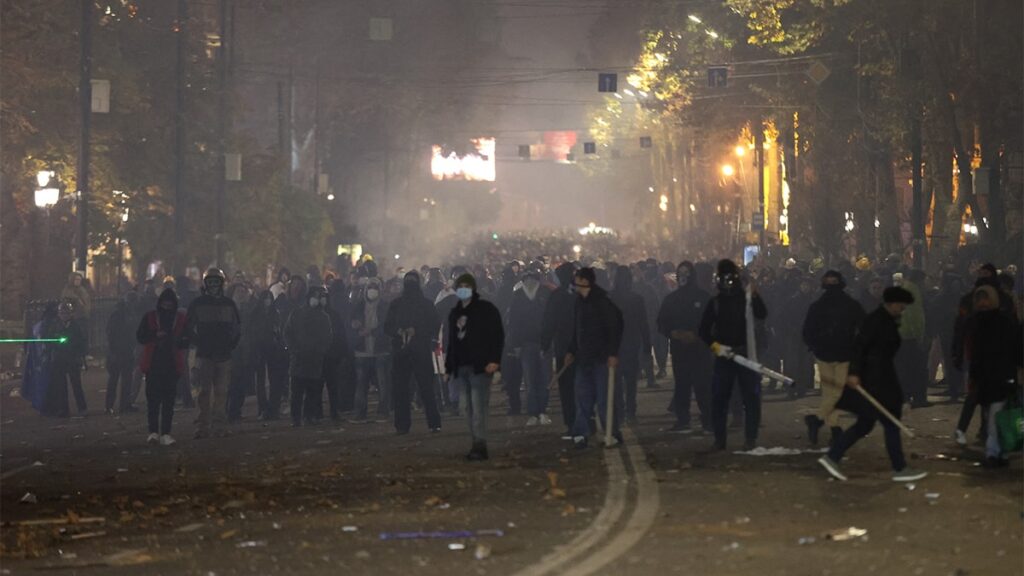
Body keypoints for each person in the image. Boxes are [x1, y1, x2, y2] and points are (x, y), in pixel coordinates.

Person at [817, 286, 928, 482]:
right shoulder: (876, 321)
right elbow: (859, 347)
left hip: (879, 378)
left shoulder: (886, 320)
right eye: (900, 307)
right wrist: (854, 372)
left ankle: (833, 456)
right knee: (890, 421)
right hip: (875, 381)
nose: (901, 310)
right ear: (892, 303)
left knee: (866, 424)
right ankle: (899, 468)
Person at [698, 259, 767, 451]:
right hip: (724, 357)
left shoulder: (746, 299)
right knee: (719, 399)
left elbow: (762, 314)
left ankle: (750, 438)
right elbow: (703, 330)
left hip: (746, 355)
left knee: (751, 399)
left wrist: (754, 295)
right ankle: (720, 439)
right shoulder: (716, 303)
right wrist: (716, 348)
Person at [802, 270, 866, 446]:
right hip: (842, 353)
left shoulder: (818, 305)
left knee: (831, 393)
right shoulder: (850, 304)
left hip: (826, 354)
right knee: (836, 393)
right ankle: (828, 426)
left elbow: (807, 331)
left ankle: (822, 422)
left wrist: (815, 346)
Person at [445, 273, 505, 460]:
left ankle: (480, 445)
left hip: (480, 367)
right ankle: (476, 441)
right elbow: (452, 342)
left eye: (466, 286)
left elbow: (497, 335)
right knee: (465, 407)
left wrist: (494, 360)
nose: (463, 290)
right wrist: (448, 367)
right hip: (461, 366)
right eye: (460, 286)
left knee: (478, 407)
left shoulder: (486, 310)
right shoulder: (455, 313)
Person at [961, 285, 1022, 467]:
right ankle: (999, 453)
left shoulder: (1004, 322)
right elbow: (976, 353)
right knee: (993, 416)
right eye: (979, 300)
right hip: (987, 377)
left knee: (996, 416)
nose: (983, 303)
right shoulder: (977, 321)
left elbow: (1014, 350)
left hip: (1001, 376)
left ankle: (993, 452)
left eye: (985, 299)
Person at [565, 267, 624, 449]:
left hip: (601, 358)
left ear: (584, 281)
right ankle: (581, 433)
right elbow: (577, 330)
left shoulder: (603, 302)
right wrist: (571, 351)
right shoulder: (579, 302)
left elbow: (615, 328)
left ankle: (611, 433)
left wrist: (613, 353)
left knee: (604, 399)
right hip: (584, 358)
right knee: (582, 397)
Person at [181, 268, 241, 439]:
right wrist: (199, 342)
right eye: (211, 282)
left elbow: (237, 328)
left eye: (216, 282)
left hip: (223, 354)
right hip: (205, 354)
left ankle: (219, 426)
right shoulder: (198, 304)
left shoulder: (229, 304)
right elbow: (188, 327)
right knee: (203, 392)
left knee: (222, 393)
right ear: (205, 284)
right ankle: (203, 426)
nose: (214, 285)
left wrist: (231, 345)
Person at [383, 271, 442, 434]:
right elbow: (387, 326)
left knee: (425, 389)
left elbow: (434, 325)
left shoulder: (426, 305)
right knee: (403, 390)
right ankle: (404, 425)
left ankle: (433, 422)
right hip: (402, 351)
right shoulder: (397, 304)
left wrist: (417, 331)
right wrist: (399, 331)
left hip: (419, 350)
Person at [657, 261, 713, 433]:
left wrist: (696, 335)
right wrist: (673, 333)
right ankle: (683, 420)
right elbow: (661, 322)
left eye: (686, 272)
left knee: (702, 386)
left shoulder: (703, 297)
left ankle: (709, 421)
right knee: (682, 385)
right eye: (680, 272)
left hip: (700, 350)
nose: (683, 276)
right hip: (679, 349)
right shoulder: (671, 299)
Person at [137, 289, 187, 445]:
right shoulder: (154, 317)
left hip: (167, 363)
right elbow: (140, 336)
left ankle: (163, 432)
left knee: (166, 401)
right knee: (155, 400)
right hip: (157, 364)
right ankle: (156, 432)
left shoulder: (173, 318)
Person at [507, 270, 551, 426]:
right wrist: (516, 345)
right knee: (530, 381)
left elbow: (550, 319)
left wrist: (549, 341)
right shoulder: (518, 296)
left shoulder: (545, 294)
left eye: (533, 278)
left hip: (543, 345)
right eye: (527, 279)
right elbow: (513, 322)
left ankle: (543, 411)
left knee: (544, 380)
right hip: (526, 345)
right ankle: (533, 412)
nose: (530, 281)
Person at [283, 286, 333, 427]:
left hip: (315, 359)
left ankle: (309, 416)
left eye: (320, 297)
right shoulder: (297, 314)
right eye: (315, 296)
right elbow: (287, 332)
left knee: (313, 391)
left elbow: (328, 337)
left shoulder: (324, 317)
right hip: (298, 358)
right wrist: (293, 349)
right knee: (297, 391)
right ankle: (296, 417)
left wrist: (321, 350)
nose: (317, 299)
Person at [609, 265, 652, 425]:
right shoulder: (636, 299)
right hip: (632, 343)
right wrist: (647, 344)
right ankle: (631, 411)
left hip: (615, 344)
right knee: (630, 380)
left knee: (616, 380)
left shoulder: (610, 298)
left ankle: (620, 411)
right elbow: (643, 323)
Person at [542, 262, 578, 439]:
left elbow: (549, 322)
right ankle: (587, 421)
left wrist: (545, 344)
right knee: (583, 386)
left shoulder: (557, 296)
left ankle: (573, 424)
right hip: (582, 348)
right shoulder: (581, 294)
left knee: (568, 389)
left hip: (564, 348)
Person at [352, 277, 390, 420]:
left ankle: (383, 411)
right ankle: (360, 412)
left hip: (380, 349)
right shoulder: (358, 305)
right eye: (370, 288)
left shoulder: (385, 306)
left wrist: (372, 332)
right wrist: (355, 325)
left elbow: (387, 326)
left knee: (382, 383)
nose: (372, 291)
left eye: (375, 288)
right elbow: (351, 322)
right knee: (361, 383)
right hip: (362, 351)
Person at [45, 301, 88, 417]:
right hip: (59, 359)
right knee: (61, 387)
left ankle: (82, 407)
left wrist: (79, 354)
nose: (64, 315)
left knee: (76, 385)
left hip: (72, 359)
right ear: (59, 314)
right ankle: (64, 409)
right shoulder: (55, 326)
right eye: (62, 313)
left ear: (70, 314)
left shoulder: (75, 326)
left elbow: (82, 342)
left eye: (66, 313)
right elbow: (49, 341)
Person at [894, 270, 930, 407]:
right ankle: (919, 398)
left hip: (901, 334)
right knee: (918, 368)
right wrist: (919, 336)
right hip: (910, 336)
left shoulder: (904, 288)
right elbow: (915, 316)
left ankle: (905, 395)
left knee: (904, 368)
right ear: (920, 280)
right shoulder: (913, 292)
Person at [105, 291, 139, 415]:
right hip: (120, 350)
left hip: (124, 349)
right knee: (119, 378)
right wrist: (113, 350)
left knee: (122, 378)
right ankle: (117, 405)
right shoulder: (121, 314)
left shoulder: (122, 313)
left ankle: (116, 405)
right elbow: (111, 333)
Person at [250, 290, 282, 419]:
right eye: (266, 298)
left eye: (269, 298)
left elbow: (278, 330)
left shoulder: (275, 313)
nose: (267, 301)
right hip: (259, 348)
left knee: (274, 379)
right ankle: (262, 407)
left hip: (272, 348)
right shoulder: (255, 313)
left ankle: (273, 408)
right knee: (260, 380)